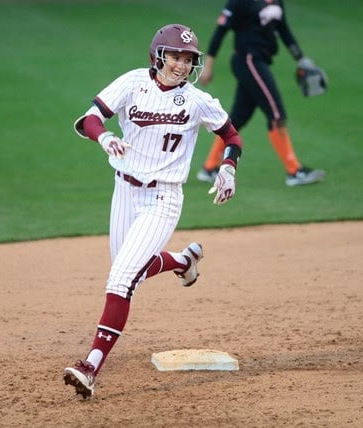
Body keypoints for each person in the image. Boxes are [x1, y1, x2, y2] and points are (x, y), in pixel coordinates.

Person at [63, 23, 244, 399]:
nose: (181, 65)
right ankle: (182, 261)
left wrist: (229, 167)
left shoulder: (196, 101)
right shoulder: (132, 83)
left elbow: (232, 135)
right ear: (159, 55)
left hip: (163, 197)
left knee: (120, 280)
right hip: (124, 193)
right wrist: (106, 136)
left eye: (188, 59)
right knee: (130, 276)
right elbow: (91, 118)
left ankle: (91, 365)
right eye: (176, 56)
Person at [196, 0, 325, 187]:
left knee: (238, 118)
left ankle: (209, 167)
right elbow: (220, 32)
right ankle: (294, 171)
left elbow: (283, 29)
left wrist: (301, 58)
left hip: (261, 61)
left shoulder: (276, 1)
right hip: (248, 61)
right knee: (276, 114)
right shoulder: (240, 2)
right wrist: (208, 66)